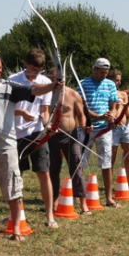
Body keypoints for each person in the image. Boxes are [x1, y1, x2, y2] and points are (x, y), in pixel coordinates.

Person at [0, 54, 61, 241]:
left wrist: (53, 85)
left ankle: (16, 229)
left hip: (7, 147)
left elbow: (34, 90)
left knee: (14, 191)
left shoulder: (9, 87)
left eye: (0, 67)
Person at [9, 49, 57, 228]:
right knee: (16, 175)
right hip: (14, 134)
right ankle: (16, 214)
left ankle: (50, 215)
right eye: (33, 69)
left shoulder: (45, 83)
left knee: (44, 173)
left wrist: (48, 125)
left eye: (39, 70)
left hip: (36, 133)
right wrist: (20, 112)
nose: (36, 73)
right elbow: (4, 109)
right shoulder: (13, 80)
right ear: (26, 64)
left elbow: (44, 111)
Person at [78, 58, 122, 207]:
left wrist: (113, 115)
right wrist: (96, 116)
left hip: (104, 129)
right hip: (86, 127)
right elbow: (80, 106)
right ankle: (80, 197)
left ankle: (109, 198)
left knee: (106, 162)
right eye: (101, 72)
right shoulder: (83, 83)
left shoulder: (110, 85)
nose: (104, 75)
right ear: (94, 69)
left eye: (106, 72)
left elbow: (114, 104)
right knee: (80, 163)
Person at [48, 85, 88, 213]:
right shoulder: (45, 93)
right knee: (53, 169)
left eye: (60, 78)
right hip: (51, 136)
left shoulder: (73, 94)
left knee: (76, 167)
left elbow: (81, 114)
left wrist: (84, 126)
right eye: (55, 78)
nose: (58, 81)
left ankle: (83, 204)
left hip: (71, 136)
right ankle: (54, 200)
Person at [107, 68, 129, 186]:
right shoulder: (106, 93)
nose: (118, 83)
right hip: (113, 128)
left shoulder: (123, 94)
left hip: (125, 127)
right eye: (116, 80)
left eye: (119, 80)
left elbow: (127, 113)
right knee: (111, 159)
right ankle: (111, 186)